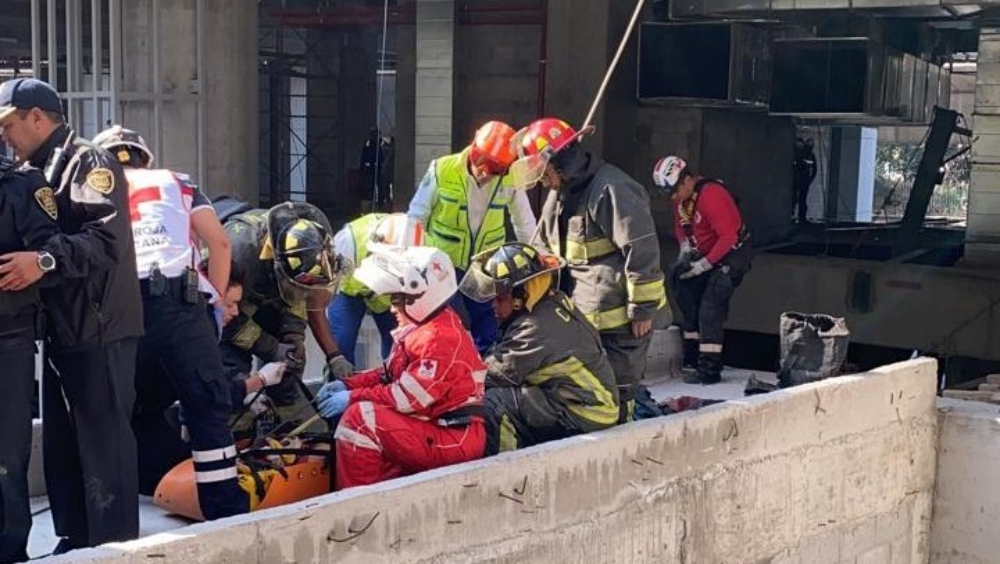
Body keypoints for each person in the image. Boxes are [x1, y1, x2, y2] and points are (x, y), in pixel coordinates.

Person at [0, 77, 144, 553]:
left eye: (10, 125)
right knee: (65, 447)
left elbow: (105, 241)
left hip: (99, 325)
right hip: (62, 329)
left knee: (105, 443)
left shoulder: (87, 162)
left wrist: (41, 261)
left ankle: (113, 546)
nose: (5, 136)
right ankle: (76, 537)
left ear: (36, 117)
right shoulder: (35, 171)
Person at [92, 125, 251, 518]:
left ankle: (117, 514)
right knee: (206, 404)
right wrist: (212, 300)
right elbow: (220, 242)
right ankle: (225, 512)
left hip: (118, 307)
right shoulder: (177, 182)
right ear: (144, 157)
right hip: (180, 304)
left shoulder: (92, 186)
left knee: (117, 409)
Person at [514, 117, 667, 423]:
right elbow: (547, 248)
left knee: (619, 396)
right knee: (594, 397)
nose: (541, 180)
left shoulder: (612, 189)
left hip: (622, 324)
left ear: (560, 163)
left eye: (543, 171)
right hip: (586, 321)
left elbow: (642, 249)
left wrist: (643, 309)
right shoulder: (561, 196)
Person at [314, 245, 486, 489]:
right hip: (441, 429)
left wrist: (351, 397)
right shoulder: (427, 328)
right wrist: (347, 383)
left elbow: (406, 397)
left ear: (420, 296)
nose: (392, 307)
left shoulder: (438, 337)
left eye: (397, 299)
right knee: (370, 424)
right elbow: (388, 374)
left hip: (453, 436)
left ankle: (357, 507)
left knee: (362, 419)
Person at [460, 243, 619, 455]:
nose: (493, 306)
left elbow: (493, 374)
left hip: (587, 410)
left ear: (520, 296)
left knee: (494, 403)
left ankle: (504, 468)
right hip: (581, 399)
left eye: (501, 298)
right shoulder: (551, 302)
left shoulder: (533, 328)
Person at [407, 120, 537, 353]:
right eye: (481, 161)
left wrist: (533, 261)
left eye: (495, 169)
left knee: (487, 320)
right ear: (473, 148)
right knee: (444, 321)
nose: (485, 172)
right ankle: (445, 365)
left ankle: (485, 372)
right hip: (443, 264)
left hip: (484, 264)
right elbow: (416, 217)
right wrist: (413, 262)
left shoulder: (510, 180)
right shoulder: (442, 169)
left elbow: (524, 222)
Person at [221, 202, 352, 427]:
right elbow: (223, 316)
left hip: (265, 293)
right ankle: (236, 427)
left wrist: (293, 342)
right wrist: (271, 348)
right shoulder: (239, 251)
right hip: (227, 308)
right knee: (231, 367)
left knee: (292, 356)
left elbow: (298, 298)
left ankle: (285, 424)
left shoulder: (309, 256)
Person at [0, 155, 60, 564]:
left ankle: (9, 550)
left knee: (8, 453)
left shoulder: (21, 184)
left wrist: (38, 262)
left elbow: (49, 248)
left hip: (7, 334)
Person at [652, 155, 752, 385]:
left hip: (731, 254)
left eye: (675, 191)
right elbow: (681, 227)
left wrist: (704, 265)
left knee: (711, 304)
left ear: (687, 181)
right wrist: (686, 254)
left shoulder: (712, 195)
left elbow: (728, 237)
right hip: (705, 252)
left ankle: (709, 367)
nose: (673, 198)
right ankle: (691, 358)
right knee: (687, 295)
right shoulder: (682, 200)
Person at [327, 213, 425, 366]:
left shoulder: (424, 247)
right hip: (348, 288)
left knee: (398, 343)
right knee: (341, 342)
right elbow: (327, 289)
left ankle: (393, 380)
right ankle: (337, 386)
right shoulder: (348, 241)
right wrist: (335, 359)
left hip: (389, 295)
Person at [792, 137, 817, 224]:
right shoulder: (797, 153)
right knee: (794, 198)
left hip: (803, 180)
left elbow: (814, 170)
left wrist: (809, 180)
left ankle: (801, 217)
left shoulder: (810, 155)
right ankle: (793, 215)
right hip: (797, 180)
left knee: (801, 199)